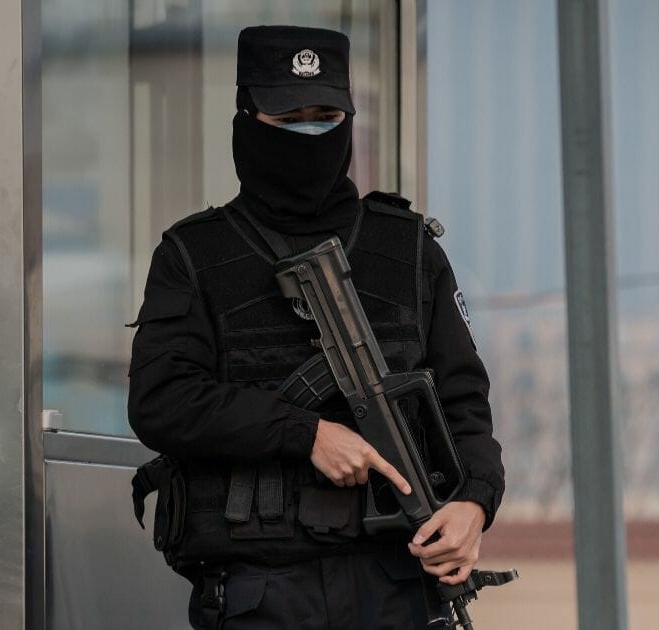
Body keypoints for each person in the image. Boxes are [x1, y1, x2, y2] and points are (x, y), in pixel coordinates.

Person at [127, 25, 504, 629]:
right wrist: (305, 434)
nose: (311, 132)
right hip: (258, 590)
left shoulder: (408, 249)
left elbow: (465, 406)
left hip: (397, 587)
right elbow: (159, 401)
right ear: (247, 119)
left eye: (326, 115)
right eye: (290, 116)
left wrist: (474, 505)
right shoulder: (194, 254)